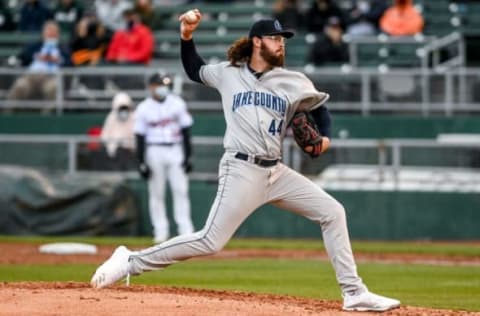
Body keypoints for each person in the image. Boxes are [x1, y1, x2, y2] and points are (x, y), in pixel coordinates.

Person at [90, 10, 401, 313]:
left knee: (333, 212)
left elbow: (320, 109)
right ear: (257, 42)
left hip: (276, 171)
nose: (281, 44)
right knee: (210, 241)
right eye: (275, 38)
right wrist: (186, 35)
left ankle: (353, 292)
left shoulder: (293, 80)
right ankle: (130, 260)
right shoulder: (229, 73)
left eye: (283, 39)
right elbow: (194, 68)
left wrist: (326, 138)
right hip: (241, 168)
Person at [133, 72, 195, 244]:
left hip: (175, 149)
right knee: (156, 193)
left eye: (165, 84)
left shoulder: (177, 103)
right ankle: (161, 231)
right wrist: (141, 162)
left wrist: (188, 156)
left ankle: (186, 231)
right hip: (154, 150)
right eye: (159, 84)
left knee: (180, 190)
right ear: (150, 87)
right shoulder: (143, 108)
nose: (162, 88)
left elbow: (186, 131)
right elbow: (139, 137)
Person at [7, 20, 71, 103]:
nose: (50, 33)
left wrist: (58, 60)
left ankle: (46, 115)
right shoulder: (35, 46)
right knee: (20, 86)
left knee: (54, 88)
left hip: (51, 77)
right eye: (48, 30)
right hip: (31, 77)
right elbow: (23, 56)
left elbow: (70, 63)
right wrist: (37, 56)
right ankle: (7, 113)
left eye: (53, 31)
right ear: (43, 33)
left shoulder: (63, 49)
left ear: (58, 34)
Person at [100, 92, 136, 170]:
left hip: (131, 152)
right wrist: (114, 143)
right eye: (121, 108)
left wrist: (129, 145)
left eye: (125, 108)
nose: (123, 111)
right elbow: (104, 137)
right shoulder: (111, 117)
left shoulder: (134, 117)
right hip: (115, 153)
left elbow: (136, 136)